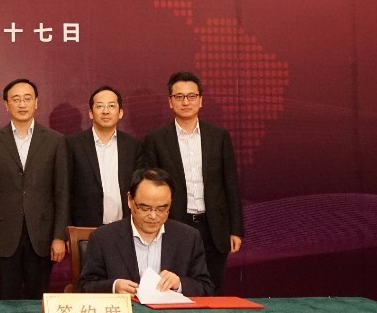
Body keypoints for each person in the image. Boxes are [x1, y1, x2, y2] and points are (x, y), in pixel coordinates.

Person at [137, 71, 244, 293]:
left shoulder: (218, 136)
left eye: (191, 96)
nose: (186, 102)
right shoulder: (156, 139)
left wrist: (235, 229)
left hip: (214, 227)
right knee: (174, 289)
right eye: (179, 97)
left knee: (212, 290)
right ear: (170, 101)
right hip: (175, 224)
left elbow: (231, 184)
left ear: (200, 100)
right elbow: (151, 187)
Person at [0, 78, 70, 300]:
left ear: (36, 102)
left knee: (38, 299)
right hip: (3, 237)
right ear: (6, 104)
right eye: (16, 99)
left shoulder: (55, 140)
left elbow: (62, 192)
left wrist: (59, 236)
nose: (22, 104)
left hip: (42, 237)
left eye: (27, 99)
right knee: (6, 298)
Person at [78, 168, 213, 297]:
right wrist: (113, 287)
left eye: (162, 208)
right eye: (145, 208)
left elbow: (206, 288)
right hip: (127, 311)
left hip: (170, 312)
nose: (153, 216)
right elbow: (85, 287)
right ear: (130, 200)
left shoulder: (188, 237)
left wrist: (179, 284)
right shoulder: (103, 238)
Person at [66, 85, 141, 227]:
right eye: (100, 106)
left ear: (120, 113)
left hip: (125, 227)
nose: (106, 111)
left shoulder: (133, 146)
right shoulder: (72, 144)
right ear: (90, 113)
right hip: (85, 227)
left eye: (111, 106)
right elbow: (64, 191)